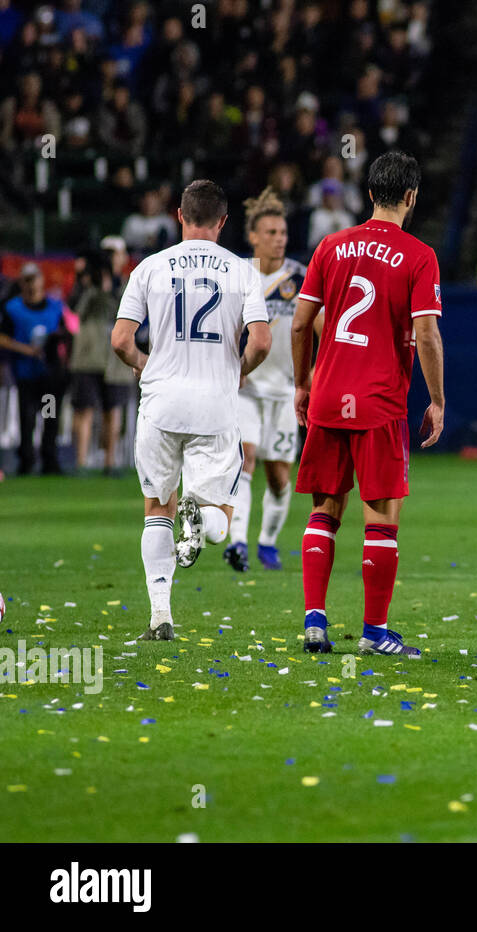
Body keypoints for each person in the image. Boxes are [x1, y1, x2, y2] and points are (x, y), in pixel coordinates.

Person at [290, 150, 445, 658]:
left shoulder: (330, 247)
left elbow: (298, 323)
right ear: (410, 197)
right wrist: (438, 399)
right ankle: (375, 634)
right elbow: (426, 332)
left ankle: (315, 621)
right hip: (379, 401)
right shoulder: (419, 256)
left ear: (368, 192)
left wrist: (301, 384)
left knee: (324, 511)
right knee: (381, 519)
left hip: (329, 395)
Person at [110, 179, 272, 641]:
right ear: (223, 222)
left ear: (179, 216)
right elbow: (261, 341)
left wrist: (145, 364)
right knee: (220, 517)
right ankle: (203, 521)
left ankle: (160, 615)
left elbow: (121, 340)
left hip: (161, 402)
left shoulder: (149, 267)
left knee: (157, 509)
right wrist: (238, 370)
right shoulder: (243, 271)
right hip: (214, 405)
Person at [224, 187, 309, 572]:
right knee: (246, 458)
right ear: (253, 236)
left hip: (287, 391)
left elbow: (318, 329)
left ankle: (268, 542)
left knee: (278, 476)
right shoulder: (237, 275)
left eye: (283, 233)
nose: (279, 239)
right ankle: (237, 541)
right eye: (271, 232)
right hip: (246, 387)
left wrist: (316, 376)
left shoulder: (300, 278)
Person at [0, 263, 71, 475]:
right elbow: (3, 338)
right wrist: (27, 350)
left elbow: (67, 332)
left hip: (48, 376)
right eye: (27, 280)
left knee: (49, 417)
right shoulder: (13, 308)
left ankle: (49, 459)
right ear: (22, 283)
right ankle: (27, 460)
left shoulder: (54, 307)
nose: (32, 285)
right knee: (27, 417)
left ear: (41, 280)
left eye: (34, 279)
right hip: (26, 374)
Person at [67, 244, 133, 474]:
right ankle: (81, 462)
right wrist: (92, 287)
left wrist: (111, 288)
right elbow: (76, 311)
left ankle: (110, 462)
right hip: (88, 355)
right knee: (84, 409)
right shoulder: (85, 284)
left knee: (112, 410)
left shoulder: (125, 285)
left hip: (115, 359)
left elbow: (130, 312)